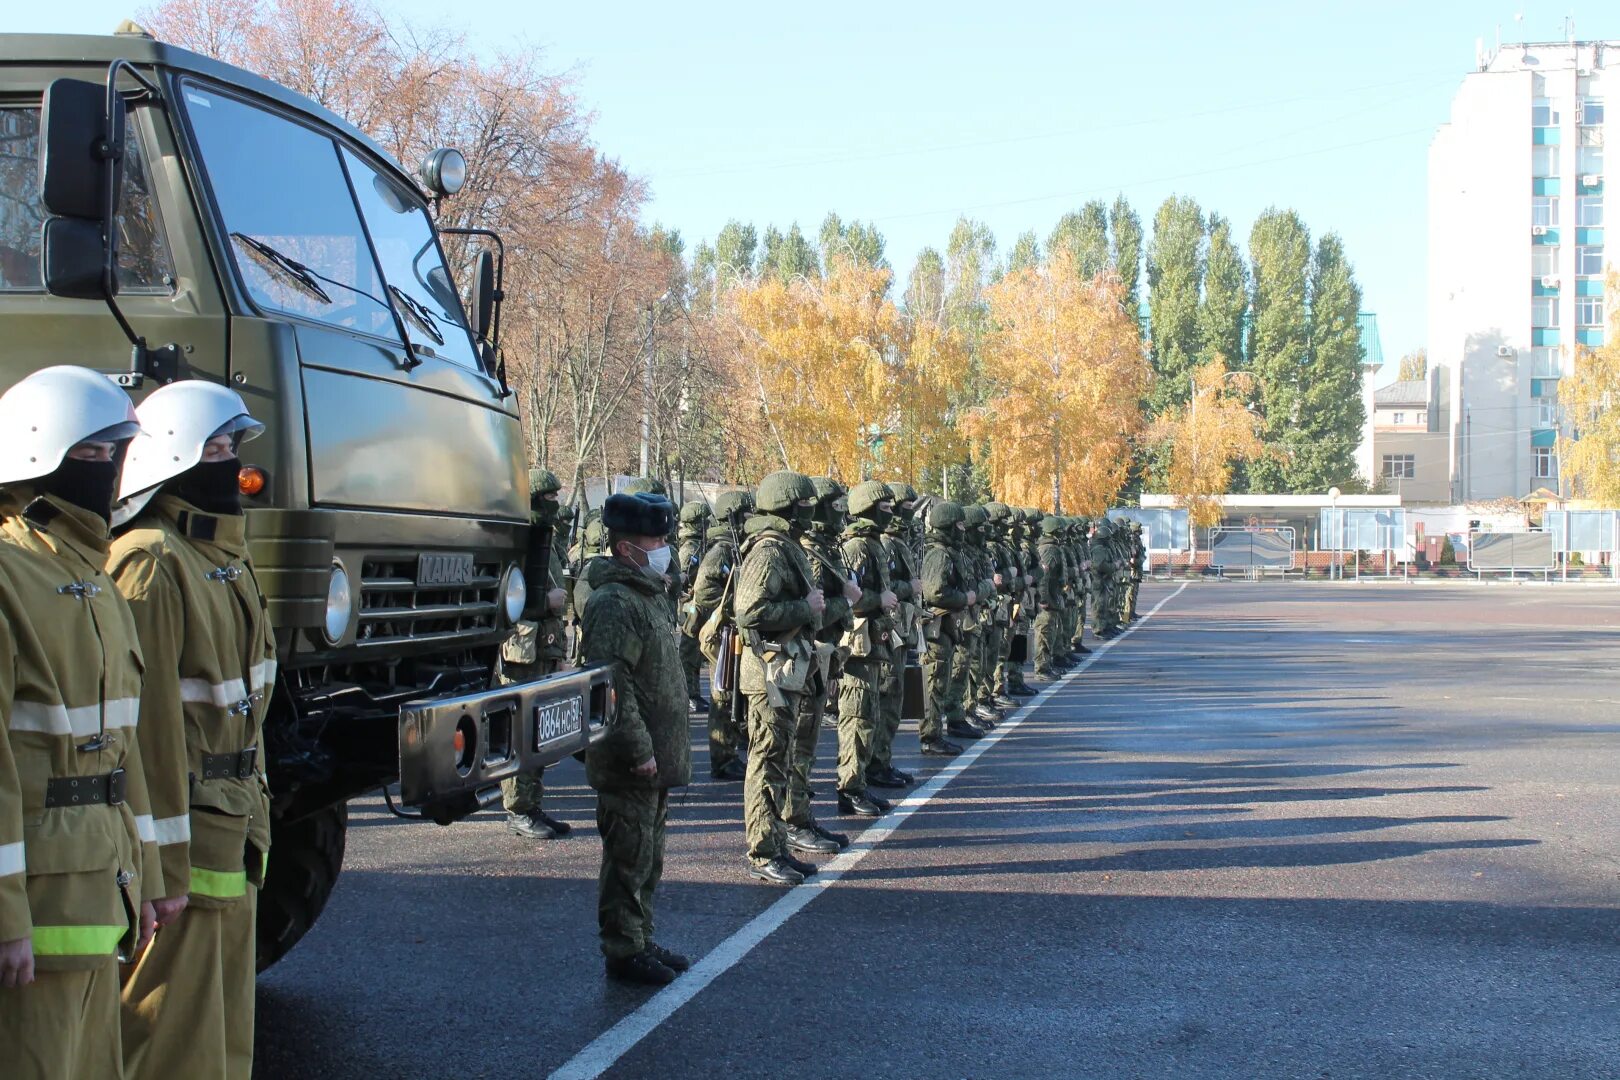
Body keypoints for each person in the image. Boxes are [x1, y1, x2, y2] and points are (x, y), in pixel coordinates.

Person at [110, 381, 276, 1080]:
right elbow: (143, 734)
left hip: (235, 830)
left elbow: (249, 713)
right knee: (169, 1036)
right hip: (187, 846)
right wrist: (160, 868)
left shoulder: (223, 558)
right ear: (171, 459)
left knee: (221, 1038)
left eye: (233, 446)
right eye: (214, 448)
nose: (231, 462)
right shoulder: (151, 562)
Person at [0, 366, 159, 1080]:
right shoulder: (9, 574)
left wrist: (143, 876)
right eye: (92, 455)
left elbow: (126, 750)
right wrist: (5, 918)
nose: (110, 471)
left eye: (115, 454)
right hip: (36, 904)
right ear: (37, 457)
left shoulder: (95, 578)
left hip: (101, 886)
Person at [580, 492, 692, 986]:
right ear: (627, 549)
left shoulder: (646, 594)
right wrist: (639, 749)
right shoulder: (613, 602)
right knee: (628, 856)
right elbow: (611, 684)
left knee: (649, 855)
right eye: (656, 539)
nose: (665, 547)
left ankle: (641, 936)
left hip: (653, 760)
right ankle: (623, 949)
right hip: (631, 760)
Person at [734, 470, 825, 885]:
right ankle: (764, 851)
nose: (812, 511)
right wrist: (805, 608)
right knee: (768, 761)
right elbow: (749, 612)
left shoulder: (786, 546)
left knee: (780, 760)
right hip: (770, 675)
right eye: (804, 505)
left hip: (786, 672)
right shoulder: (769, 551)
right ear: (788, 508)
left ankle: (778, 844)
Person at [785, 477, 858, 851]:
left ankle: (802, 814)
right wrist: (848, 603)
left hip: (820, 656)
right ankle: (793, 820)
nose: (841, 514)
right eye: (836, 507)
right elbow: (815, 614)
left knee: (807, 744)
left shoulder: (824, 549)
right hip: (805, 658)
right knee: (799, 743)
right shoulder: (810, 553)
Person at [500, 468, 573, 841]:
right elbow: (503, 597)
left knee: (541, 731)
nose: (554, 504)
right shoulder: (516, 539)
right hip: (522, 651)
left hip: (544, 646)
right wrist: (545, 601)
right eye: (548, 498)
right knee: (521, 731)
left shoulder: (546, 538)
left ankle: (533, 803)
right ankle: (518, 809)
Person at [837, 481, 898, 816]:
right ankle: (849, 786)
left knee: (869, 715)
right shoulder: (859, 547)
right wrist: (881, 600)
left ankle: (860, 780)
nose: (889, 514)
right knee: (856, 717)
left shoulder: (873, 544)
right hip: (858, 647)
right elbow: (853, 597)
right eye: (884, 509)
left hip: (874, 642)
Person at [690, 491, 752, 781]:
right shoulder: (722, 550)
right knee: (723, 693)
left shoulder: (737, 546)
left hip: (735, 632)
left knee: (732, 692)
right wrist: (732, 605)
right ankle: (722, 758)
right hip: (724, 633)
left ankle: (731, 750)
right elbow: (704, 590)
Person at [868, 483, 920, 789]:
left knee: (895, 698)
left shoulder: (897, 542)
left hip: (901, 627)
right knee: (885, 698)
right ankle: (875, 762)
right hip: (887, 631)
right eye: (903, 508)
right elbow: (884, 590)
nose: (907, 514)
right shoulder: (886, 544)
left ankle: (882, 759)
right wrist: (908, 589)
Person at [919, 501, 971, 756]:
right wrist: (965, 598)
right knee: (934, 683)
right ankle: (930, 736)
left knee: (941, 681)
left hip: (946, 628)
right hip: (936, 630)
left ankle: (936, 731)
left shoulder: (949, 551)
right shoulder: (939, 553)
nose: (963, 529)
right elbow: (935, 591)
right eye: (959, 524)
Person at [676, 499, 712, 714]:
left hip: (698, 606)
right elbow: (682, 579)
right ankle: (689, 693)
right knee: (689, 651)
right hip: (690, 607)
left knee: (696, 651)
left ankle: (694, 692)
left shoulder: (700, 546)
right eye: (704, 521)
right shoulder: (689, 550)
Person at [1033, 514, 1067, 679]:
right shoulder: (1049, 550)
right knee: (1044, 633)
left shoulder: (1052, 547)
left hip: (1053, 596)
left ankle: (1047, 664)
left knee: (1050, 632)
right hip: (1047, 599)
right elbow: (1044, 576)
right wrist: (1044, 598)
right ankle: (1042, 668)